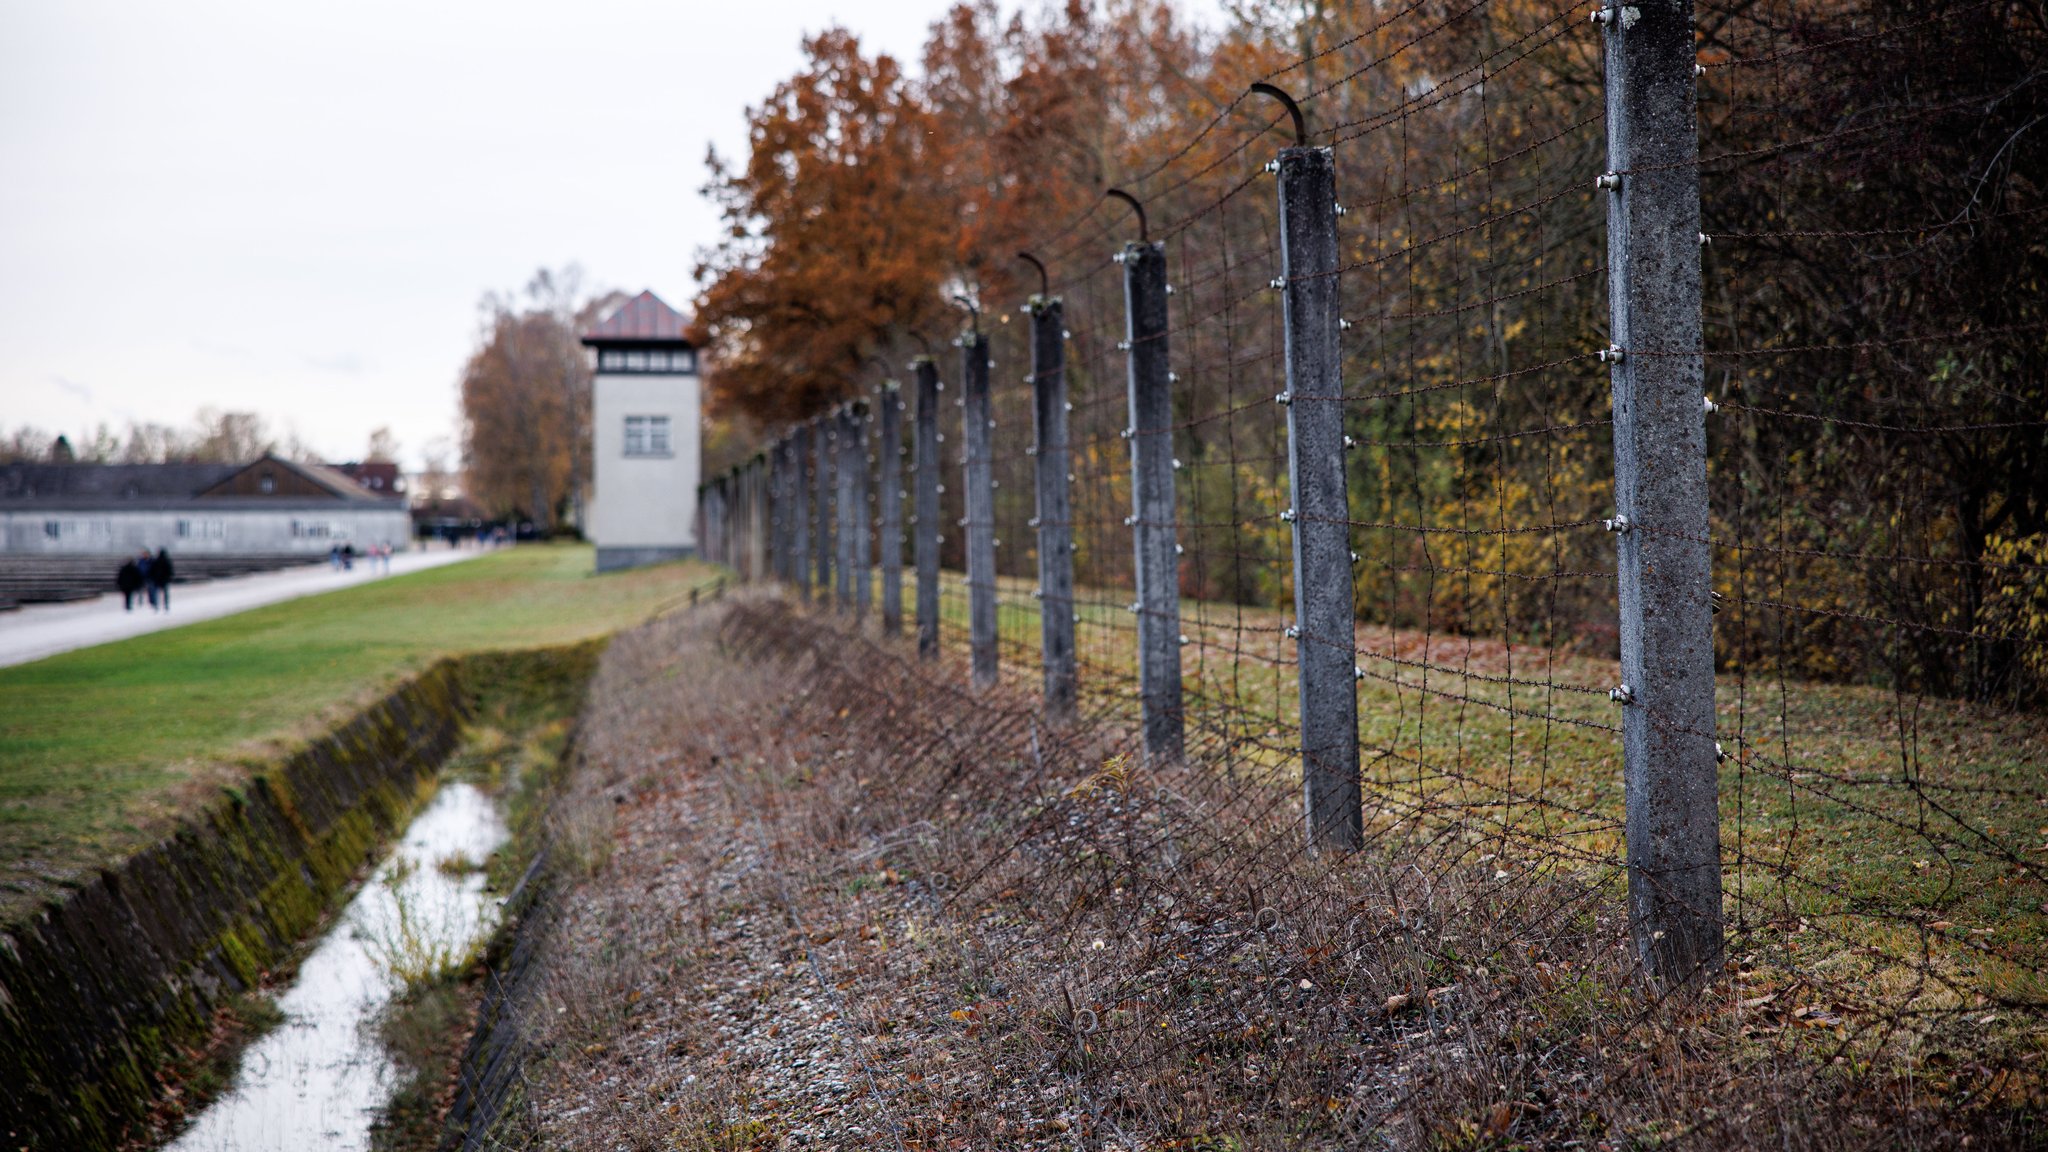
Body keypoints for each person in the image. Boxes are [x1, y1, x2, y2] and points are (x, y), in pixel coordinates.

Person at [151, 547, 174, 612]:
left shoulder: (156, 560)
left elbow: (152, 570)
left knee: (156, 593)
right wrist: (169, 578)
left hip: (157, 580)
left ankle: (156, 605)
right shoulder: (167, 561)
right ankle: (166, 605)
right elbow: (170, 571)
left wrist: (153, 578)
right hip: (164, 580)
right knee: (165, 594)